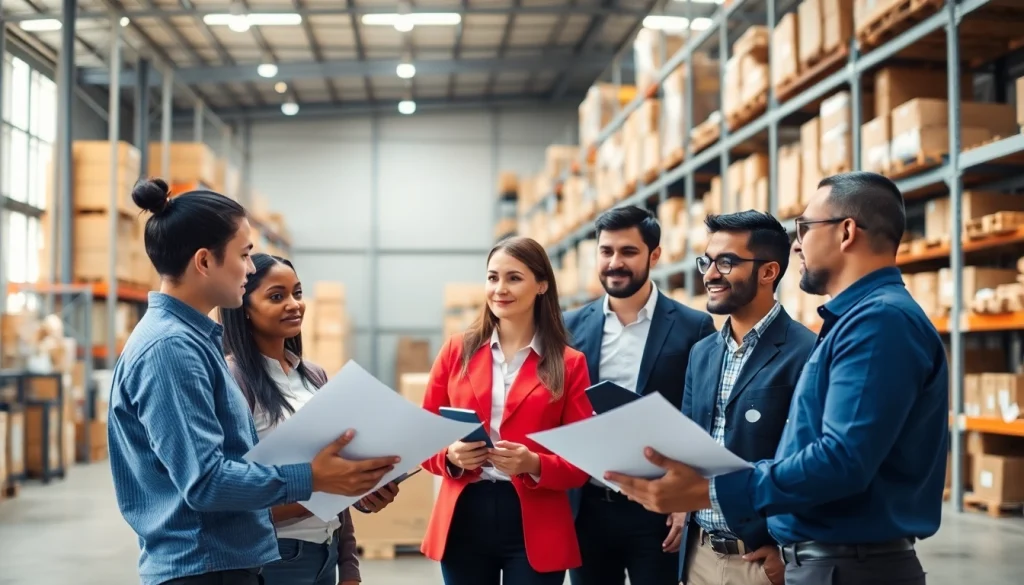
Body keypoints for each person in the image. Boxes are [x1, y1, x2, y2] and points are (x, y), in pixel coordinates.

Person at [607, 172, 948, 585]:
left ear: (846, 232)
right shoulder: (853, 322)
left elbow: (842, 459)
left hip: (848, 565)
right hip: (822, 559)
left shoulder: (879, 322)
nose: (798, 243)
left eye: (805, 227)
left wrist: (711, 492)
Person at [108, 179, 401, 585]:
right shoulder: (170, 348)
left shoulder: (193, 340)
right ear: (205, 261)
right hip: (205, 567)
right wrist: (313, 478)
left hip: (226, 563)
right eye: (244, 255)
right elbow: (206, 482)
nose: (249, 268)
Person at [419, 236, 594, 585]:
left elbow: (582, 461)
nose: (500, 288)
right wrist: (451, 456)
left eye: (514, 278)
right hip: (464, 516)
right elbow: (422, 438)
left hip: (535, 521)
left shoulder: (570, 364)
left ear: (541, 285)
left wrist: (535, 464)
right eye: (492, 277)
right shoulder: (457, 351)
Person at [220, 253, 402, 585]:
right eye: (277, 296)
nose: (294, 305)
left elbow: (335, 468)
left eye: (298, 293)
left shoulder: (313, 375)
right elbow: (234, 496)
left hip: (326, 553)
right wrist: (327, 488)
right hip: (274, 557)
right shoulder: (233, 380)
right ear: (244, 306)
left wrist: (349, 559)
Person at [562, 205, 716, 585]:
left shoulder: (694, 327)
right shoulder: (569, 328)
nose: (615, 262)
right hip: (588, 508)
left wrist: (688, 505)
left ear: (655, 255)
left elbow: (701, 417)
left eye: (628, 252)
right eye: (606, 251)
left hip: (659, 508)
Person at [678, 211, 816, 585]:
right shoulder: (702, 353)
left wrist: (782, 545)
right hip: (699, 553)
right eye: (707, 261)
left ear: (768, 272)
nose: (709, 274)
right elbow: (690, 443)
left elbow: (809, 461)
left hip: (761, 560)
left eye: (726, 262)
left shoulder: (807, 352)